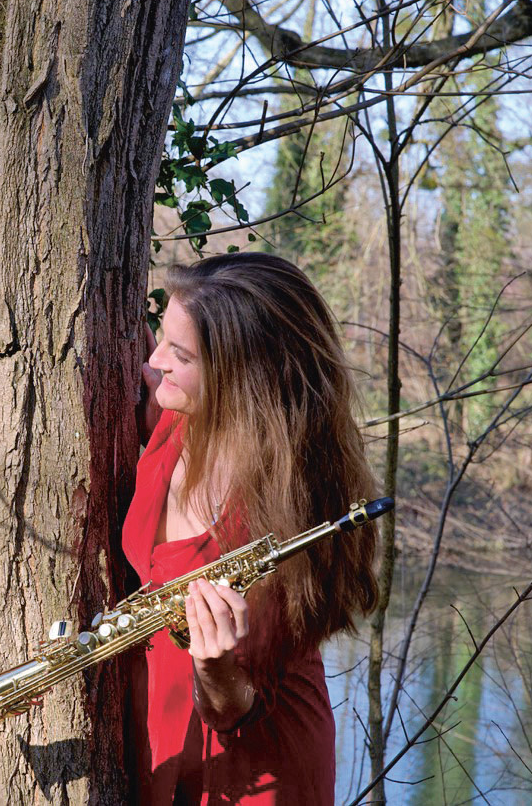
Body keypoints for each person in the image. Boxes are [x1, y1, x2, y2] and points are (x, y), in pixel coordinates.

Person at [127, 252, 378, 804]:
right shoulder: (180, 411)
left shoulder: (295, 507)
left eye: (180, 353)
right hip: (159, 732)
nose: (154, 361)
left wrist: (213, 666)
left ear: (241, 374)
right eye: (160, 337)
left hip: (256, 762)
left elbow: (237, 705)